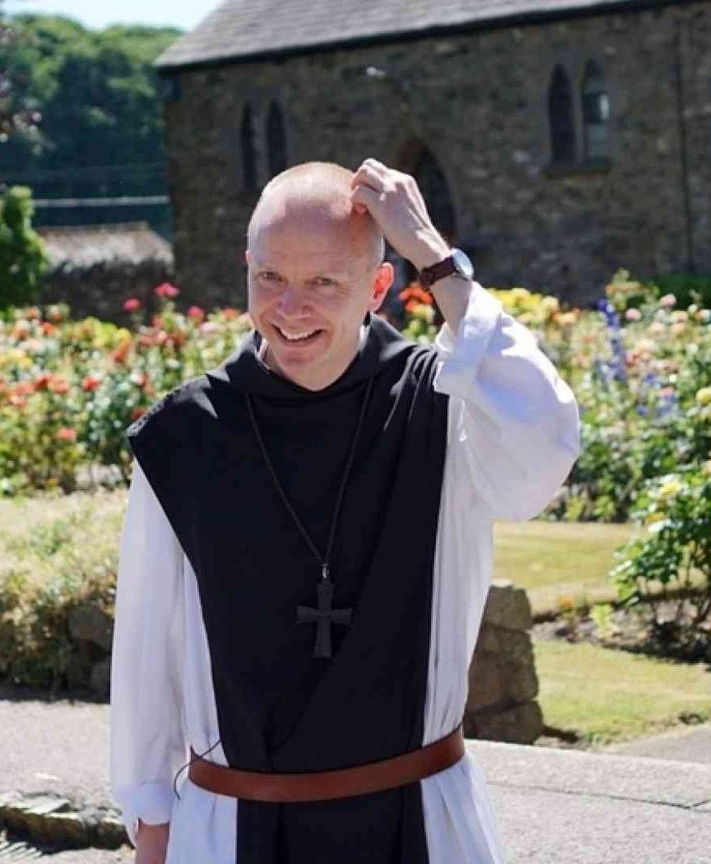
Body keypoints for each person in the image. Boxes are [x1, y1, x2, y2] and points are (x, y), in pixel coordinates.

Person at [109, 158, 582, 863]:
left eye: (324, 283)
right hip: (233, 830)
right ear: (246, 268)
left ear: (379, 286)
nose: (290, 309)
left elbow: (544, 443)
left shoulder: (446, 405)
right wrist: (150, 823)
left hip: (420, 823)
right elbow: (148, 648)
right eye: (271, 277)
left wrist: (434, 256)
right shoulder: (185, 433)